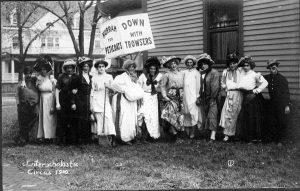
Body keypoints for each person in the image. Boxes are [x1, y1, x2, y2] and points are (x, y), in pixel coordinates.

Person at [111, 59, 144, 145]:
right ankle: (122, 138)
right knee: (123, 118)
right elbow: (114, 85)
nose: (132, 68)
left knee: (131, 118)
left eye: (133, 67)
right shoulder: (121, 76)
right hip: (123, 100)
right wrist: (126, 90)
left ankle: (130, 137)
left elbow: (137, 87)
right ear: (126, 67)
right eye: (130, 67)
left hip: (132, 101)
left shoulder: (134, 77)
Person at [237, 56, 268, 142]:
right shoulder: (242, 72)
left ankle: (254, 138)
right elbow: (238, 65)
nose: (245, 67)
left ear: (251, 66)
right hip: (244, 96)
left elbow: (265, 82)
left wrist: (257, 90)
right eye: (244, 65)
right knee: (245, 117)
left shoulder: (255, 74)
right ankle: (246, 137)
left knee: (252, 118)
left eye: (247, 65)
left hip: (252, 97)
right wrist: (244, 59)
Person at [264, 59, 291, 145]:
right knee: (272, 121)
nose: (272, 70)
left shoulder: (282, 79)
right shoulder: (268, 78)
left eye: (274, 68)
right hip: (272, 103)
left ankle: (280, 140)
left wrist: (287, 105)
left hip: (282, 103)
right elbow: (259, 77)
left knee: (281, 121)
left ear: (276, 68)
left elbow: (287, 93)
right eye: (271, 69)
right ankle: (273, 139)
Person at [90, 60, 116, 146]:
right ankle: (102, 139)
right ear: (97, 68)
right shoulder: (94, 78)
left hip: (105, 99)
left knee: (108, 118)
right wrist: (91, 104)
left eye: (102, 66)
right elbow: (92, 92)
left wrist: (108, 86)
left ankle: (112, 137)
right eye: (99, 67)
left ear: (105, 67)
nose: (101, 68)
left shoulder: (109, 77)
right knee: (100, 120)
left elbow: (114, 90)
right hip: (97, 100)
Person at [137, 57, 163, 142]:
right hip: (145, 96)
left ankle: (152, 136)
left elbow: (161, 87)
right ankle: (143, 136)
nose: (152, 70)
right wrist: (140, 97)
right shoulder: (143, 76)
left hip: (154, 98)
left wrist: (159, 91)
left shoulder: (159, 76)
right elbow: (139, 87)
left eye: (154, 69)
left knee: (153, 116)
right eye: (151, 68)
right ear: (148, 68)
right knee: (145, 115)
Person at [219, 53, 243, 142]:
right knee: (226, 113)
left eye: (234, 63)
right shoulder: (226, 71)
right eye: (230, 63)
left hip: (238, 93)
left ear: (237, 63)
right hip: (229, 94)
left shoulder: (240, 71)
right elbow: (222, 82)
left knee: (235, 113)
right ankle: (226, 134)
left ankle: (234, 133)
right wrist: (225, 89)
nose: (232, 65)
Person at [160, 56, 184, 142]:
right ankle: (174, 134)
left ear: (177, 64)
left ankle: (178, 134)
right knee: (171, 114)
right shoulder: (167, 75)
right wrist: (165, 96)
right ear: (169, 66)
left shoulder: (182, 73)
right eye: (171, 64)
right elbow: (162, 86)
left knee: (179, 115)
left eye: (174, 63)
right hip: (171, 96)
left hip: (181, 95)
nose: (173, 65)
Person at [196, 53, 219, 143]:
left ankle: (212, 137)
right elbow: (201, 87)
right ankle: (208, 135)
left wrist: (212, 99)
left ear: (209, 64)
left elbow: (215, 87)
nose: (203, 66)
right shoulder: (203, 74)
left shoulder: (214, 73)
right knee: (207, 116)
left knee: (212, 116)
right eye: (202, 64)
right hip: (205, 98)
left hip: (213, 98)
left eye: (205, 64)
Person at [71, 57, 93, 144]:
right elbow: (72, 90)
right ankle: (79, 139)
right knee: (80, 119)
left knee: (87, 118)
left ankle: (87, 138)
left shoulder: (91, 77)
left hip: (88, 100)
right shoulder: (77, 77)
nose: (86, 68)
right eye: (84, 66)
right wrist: (73, 103)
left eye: (87, 66)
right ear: (81, 67)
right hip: (79, 100)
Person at [34, 57, 57, 143]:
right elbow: (36, 90)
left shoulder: (52, 79)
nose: (43, 71)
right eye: (42, 69)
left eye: (45, 69)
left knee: (51, 118)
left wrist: (53, 105)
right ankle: (43, 136)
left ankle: (51, 136)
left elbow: (54, 91)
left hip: (50, 99)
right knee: (43, 117)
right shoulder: (39, 79)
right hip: (42, 99)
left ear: (47, 70)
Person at [15, 66, 39, 145]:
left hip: (33, 105)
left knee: (34, 119)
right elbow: (17, 94)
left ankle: (31, 137)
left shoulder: (34, 81)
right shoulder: (21, 82)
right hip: (23, 105)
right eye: (27, 74)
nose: (28, 75)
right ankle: (23, 138)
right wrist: (18, 103)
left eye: (30, 73)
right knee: (23, 122)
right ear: (24, 74)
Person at [55, 59, 77, 145]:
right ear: (65, 68)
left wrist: (74, 101)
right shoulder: (61, 77)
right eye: (67, 67)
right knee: (62, 121)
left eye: (71, 67)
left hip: (72, 102)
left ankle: (70, 140)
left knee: (72, 121)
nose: (69, 69)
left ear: (73, 68)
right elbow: (57, 89)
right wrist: (57, 103)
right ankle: (60, 140)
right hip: (63, 101)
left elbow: (78, 89)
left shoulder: (76, 77)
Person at [182, 55, 202, 139]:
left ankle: (193, 132)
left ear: (193, 63)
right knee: (185, 113)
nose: (189, 64)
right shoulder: (183, 72)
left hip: (193, 95)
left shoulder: (196, 73)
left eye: (191, 62)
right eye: (188, 62)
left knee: (193, 113)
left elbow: (198, 85)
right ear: (186, 64)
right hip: (185, 95)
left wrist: (197, 96)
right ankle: (187, 132)